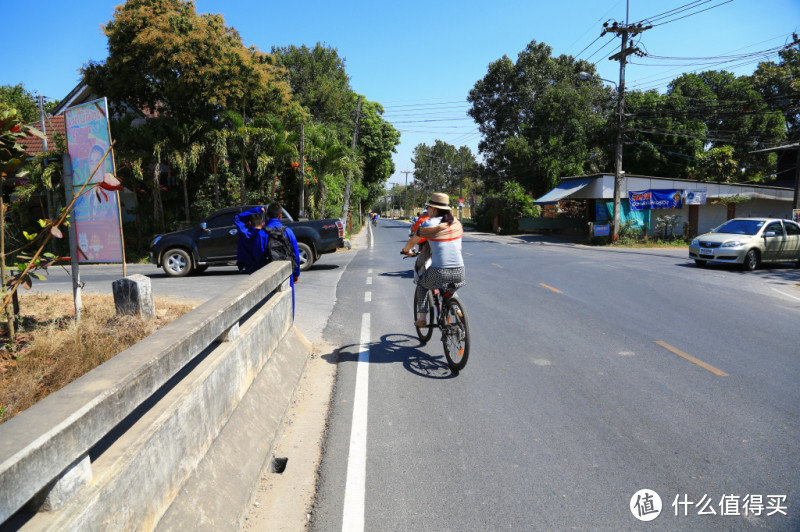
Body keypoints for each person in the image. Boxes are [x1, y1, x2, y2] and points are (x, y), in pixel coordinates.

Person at [401, 192, 465, 327]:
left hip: (439, 272)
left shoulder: (428, 224)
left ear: (434, 209)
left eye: (429, 208)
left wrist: (406, 250)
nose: (428, 210)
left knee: (422, 285)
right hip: (460, 272)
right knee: (450, 289)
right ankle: (457, 310)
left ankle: (422, 318)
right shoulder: (456, 223)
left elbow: (413, 241)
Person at [234, 206, 269, 274]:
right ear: (263, 223)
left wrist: (257, 210)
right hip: (263, 266)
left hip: (249, 266)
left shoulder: (244, 233)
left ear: (250, 223)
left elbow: (237, 218)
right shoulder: (265, 234)